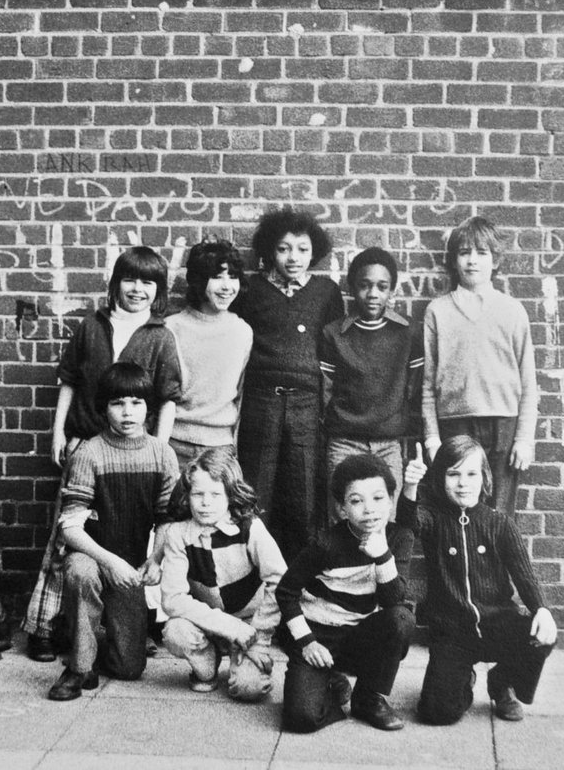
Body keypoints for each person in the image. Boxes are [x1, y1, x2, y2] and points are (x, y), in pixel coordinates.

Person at [23, 246, 182, 662]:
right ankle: (44, 625)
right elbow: (69, 381)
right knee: (67, 541)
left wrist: (157, 449)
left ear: (158, 290)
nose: (138, 289)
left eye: (149, 282)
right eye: (130, 279)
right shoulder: (91, 327)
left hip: (133, 455)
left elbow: (167, 398)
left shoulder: (160, 337)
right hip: (84, 448)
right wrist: (58, 431)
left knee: (129, 538)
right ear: (116, 283)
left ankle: (122, 626)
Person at [398, 435, 556, 725]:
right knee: (436, 713)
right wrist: (409, 487)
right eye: (453, 474)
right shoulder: (433, 518)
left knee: (542, 633)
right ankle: (462, 680)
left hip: (498, 624)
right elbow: (407, 523)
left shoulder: (499, 523)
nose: (463, 482)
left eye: (471, 474)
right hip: (453, 633)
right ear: (440, 479)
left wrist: (541, 609)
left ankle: (501, 682)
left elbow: (524, 574)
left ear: (484, 478)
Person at [46, 362, 180, 701]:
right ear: (104, 408)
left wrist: (155, 559)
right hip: (93, 555)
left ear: (148, 408)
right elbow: (70, 527)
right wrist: (110, 562)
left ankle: (87, 635)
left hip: (131, 567)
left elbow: (167, 519)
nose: (127, 412)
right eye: (117, 403)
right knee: (80, 572)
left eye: (136, 403)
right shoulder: (89, 453)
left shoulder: (162, 454)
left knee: (129, 668)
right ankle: (79, 667)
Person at [231, 208, 344, 562]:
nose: (293, 257)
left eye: (302, 249)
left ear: (314, 253)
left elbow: (334, 351)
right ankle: (252, 578)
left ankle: (299, 584)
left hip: (307, 406)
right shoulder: (251, 291)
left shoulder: (325, 292)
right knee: (256, 489)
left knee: (304, 494)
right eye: (283, 248)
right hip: (261, 402)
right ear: (269, 251)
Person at [276, 454, 415, 733]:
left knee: (401, 618)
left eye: (378, 498)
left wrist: (383, 556)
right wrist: (307, 643)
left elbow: (393, 602)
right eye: (356, 501)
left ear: (390, 500)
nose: (369, 510)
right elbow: (285, 592)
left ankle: (368, 698)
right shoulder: (326, 544)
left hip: (359, 637)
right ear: (341, 508)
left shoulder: (398, 538)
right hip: (319, 637)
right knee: (301, 718)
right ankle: (329, 683)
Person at [421, 216, 537, 516]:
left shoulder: (512, 311)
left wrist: (523, 439)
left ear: (495, 260)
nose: (472, 261)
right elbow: (427, 383)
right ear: (454, 260)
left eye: (482, 253)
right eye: (464, 252)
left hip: (503, 425)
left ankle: (496, 566)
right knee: (455, 511)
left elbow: (528, 383)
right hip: (455, 424)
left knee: (498, 515)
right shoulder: (438, 311)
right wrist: (432, 436)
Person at [159, 448, 286, 701]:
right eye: (198, 494)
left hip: (250, 627)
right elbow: (172, 599)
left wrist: (260, 637)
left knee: (248, 689)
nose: (206, 503)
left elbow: (279, 579)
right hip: (209, 625)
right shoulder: (177, 534)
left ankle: (246, 662)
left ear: (230, 494)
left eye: (216, 494)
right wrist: (228, 626)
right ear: (187, 496)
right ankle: (207, 663)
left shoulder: (250, 528)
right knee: (175, 631)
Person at [319, 247, 424, 521]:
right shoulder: (334, 333)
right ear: (353, 288)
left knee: (387, 519)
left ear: (391, 290)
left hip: (388, 443)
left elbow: (414, 389)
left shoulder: (408, 332)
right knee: (343, 520)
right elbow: (325, 390)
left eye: (382, 286)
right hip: (344, 442)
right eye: (364, 286)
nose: (373, 294)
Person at [164, 241, 253, 470]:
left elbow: (241, 396)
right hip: (173, 444)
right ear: (198, 280)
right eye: (216, 277)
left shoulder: (242, 332)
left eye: (232, 276)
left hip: (220, 447)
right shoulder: (171, 328)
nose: (226, 286)